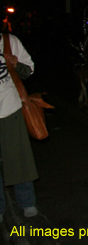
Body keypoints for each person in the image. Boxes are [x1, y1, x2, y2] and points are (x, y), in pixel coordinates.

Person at [0, 33, 39, 221]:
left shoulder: (10, 41)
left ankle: (27, 201)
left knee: (19, 156)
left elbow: (29, 69)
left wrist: (15, 63)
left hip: (10, 107)